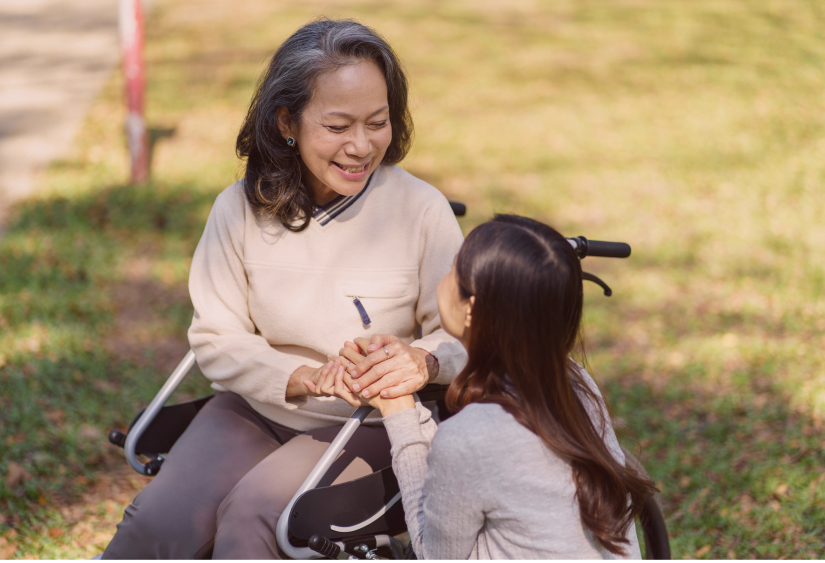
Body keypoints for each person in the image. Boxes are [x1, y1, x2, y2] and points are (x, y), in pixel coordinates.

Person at [103, 18, 466, 559]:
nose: (361, 146)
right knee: (158, 525)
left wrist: (421, 362)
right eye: (338, 126)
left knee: (253, 518)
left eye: (378, 121)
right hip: (259, 406)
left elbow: (464, 333)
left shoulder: (421, 210)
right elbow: (217, 338)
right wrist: (305, 376)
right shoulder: (238, 209)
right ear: (286, 121)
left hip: (373, 421)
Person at [332, 215, 658, 559]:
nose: (443, 280)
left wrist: (400, 413)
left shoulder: (472, 434)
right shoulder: (576, 382)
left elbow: (436, 557)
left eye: (453, 271)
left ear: (470, 310)